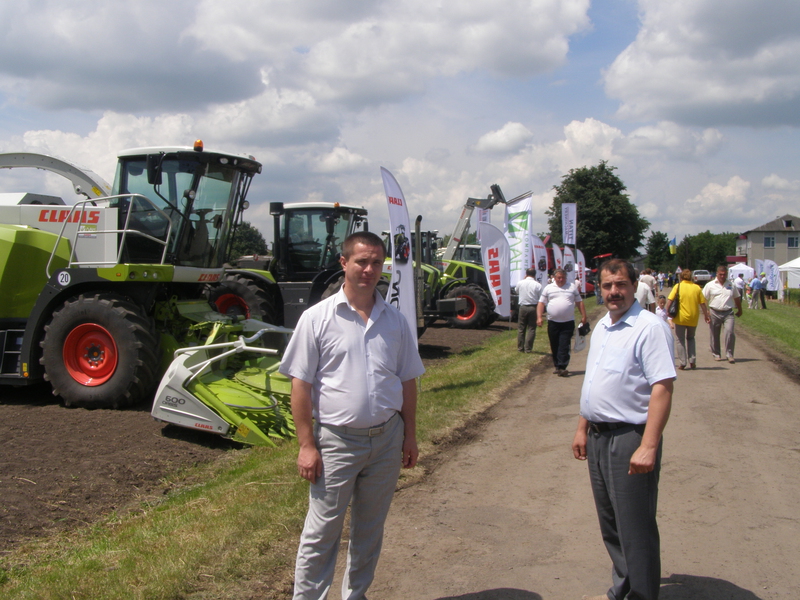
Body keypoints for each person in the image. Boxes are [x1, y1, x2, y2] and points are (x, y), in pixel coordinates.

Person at [279, 231, 425, 600]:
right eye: (362, 261)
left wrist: (409, 435)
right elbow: (300, 386)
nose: (369, 269)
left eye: (376, 262)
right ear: (344, 263)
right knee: (321, 532)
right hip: (336, 443)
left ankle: (355, 595)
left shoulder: (395, 321)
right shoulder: (317, 318)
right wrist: (306, 445)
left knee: (369, 530)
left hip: (387, 440)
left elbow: (407, 381)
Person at [573, 259, 676, 600]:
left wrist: (649, 445)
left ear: (635, 286)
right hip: (598, 436)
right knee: (612, 526)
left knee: (635, 527)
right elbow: (594, 380)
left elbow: (662, 387)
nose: (613, 291)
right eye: (607, 285)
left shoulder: (649, 327)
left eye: (620, 284)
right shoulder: (603, 325)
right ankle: (623, 590)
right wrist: (582, 426)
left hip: (630, 437)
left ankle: (642, 594)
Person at [536, 268, 588, 377]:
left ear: (566, 278)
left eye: (563, 278)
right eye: (559, 278)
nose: (561, 280)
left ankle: (562, 366)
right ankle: (557, 365)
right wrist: (539, 317)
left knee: (564, 344)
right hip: (553, 322)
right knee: (554, 344)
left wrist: (584, 316)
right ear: (554, 278)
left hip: (567, 322)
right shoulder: (548, 288)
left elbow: (579, 302)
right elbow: (541, 303)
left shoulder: (572, 287)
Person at [665, 269, 710, 370]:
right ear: (691, 277)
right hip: (693, 318)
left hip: (680, 318)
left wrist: (668, 311)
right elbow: (702, 303)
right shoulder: (696, 288)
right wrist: (706, 315)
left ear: (681, 277)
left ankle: (682, 362)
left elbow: (670, 300)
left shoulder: (678, 286)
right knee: (691, 338)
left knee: (680, 340)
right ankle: (692, 360)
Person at [703, 264, 742, 364]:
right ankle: (716, 354)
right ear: (717, 274)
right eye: (720, 274)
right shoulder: (710, 285)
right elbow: (703, 299)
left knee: (729, 332)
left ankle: (730, 354)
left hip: (728, 312)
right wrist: (706, 311)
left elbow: (736, 297)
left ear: (727, 274)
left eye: (724, 274)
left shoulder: (731, 285)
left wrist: (740, 309)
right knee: (714, 334)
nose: (722, 276)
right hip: (714, 312)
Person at [515, 267, 542, 353]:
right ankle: (528, 348)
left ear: (526, 274)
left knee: (521, 328)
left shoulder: (520, 283)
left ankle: (520, 348)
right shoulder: (538, 285)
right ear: (535, 275)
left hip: (523, 307)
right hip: (533, 307)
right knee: (531, 328)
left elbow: (516, 291)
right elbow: (540, 297)